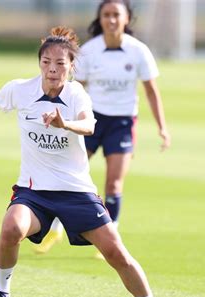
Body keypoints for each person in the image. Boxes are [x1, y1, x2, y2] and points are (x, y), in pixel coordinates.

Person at [0, 26, 170, 297]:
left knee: (116, 253)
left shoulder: (77, 94)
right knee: (12, 227)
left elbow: (90, 126)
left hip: (76, 193)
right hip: (33, 191)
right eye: (46, 62)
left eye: (60, 63)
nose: (52, 69)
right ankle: (1, 291)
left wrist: (65, 123)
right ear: (39, 64)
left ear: (71, 67)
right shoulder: (20, 90)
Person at [35, 0, 171, 257]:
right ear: (100, 18)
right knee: (67, 173)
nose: (110, 20)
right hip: (91, 120)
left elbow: (152, 91)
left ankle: (112, 233)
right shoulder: (89, 51)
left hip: (121, 123)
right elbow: (75, 90)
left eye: (115, 15)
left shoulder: (138, 51)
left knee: (114, 183)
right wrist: (63, 119)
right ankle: (54, 227)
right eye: (106, 15)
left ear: (126, 19)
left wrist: (163, 127)